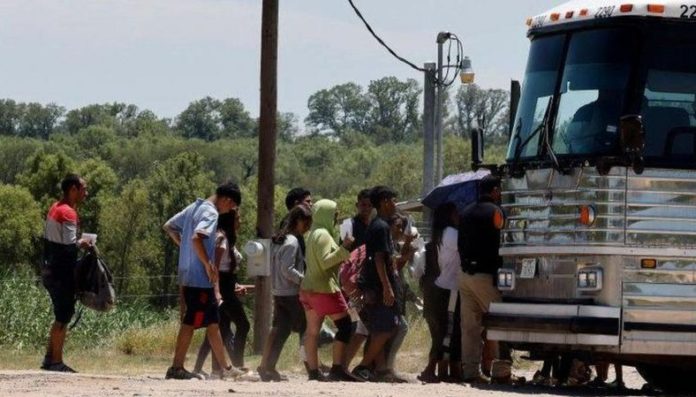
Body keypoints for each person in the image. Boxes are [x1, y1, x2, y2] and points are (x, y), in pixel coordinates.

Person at [162, 182, 245, 380]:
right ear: (226, 200)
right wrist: (208, 263)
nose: (229, 211)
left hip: (189, 274)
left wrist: (185, 249)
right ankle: (176, 367)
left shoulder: (194, 207)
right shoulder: (211, 213)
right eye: (231, 207)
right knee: (191, 321)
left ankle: (226, 368)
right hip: (200, 277)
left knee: (213, 322)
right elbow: (197, 238)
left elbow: (169, 226)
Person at [458, 175, 519, 384]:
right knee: (500, 324)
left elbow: (460, 244)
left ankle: (471, 371)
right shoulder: (496, 212)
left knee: (470, 327)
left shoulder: (465, 212)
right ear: (494, 191)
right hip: (486, 275)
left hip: (465, 274)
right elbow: (502, 243)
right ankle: (502, 372)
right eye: (499, 190)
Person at [300, 199, 359, 381]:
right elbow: (326, 261)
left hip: (307, 289)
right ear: (326, 214)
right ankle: (337, 368)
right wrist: (345, 248)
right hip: (324, 288)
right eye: (334, 214)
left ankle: (313, 372)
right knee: (345, 325)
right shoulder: (324, 235)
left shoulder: (312, 234)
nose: (336, 217)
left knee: (312, 331)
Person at [351, 186, 402, 382]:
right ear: (384, 202)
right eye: (393, 200)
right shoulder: (380, 226)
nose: (395, 204)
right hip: (378, 287)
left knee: (379, 328)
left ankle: (381, 369)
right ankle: (363, 366)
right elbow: (379, 259)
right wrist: (387, 287)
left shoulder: (378, 225)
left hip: (377, 285)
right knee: (386, 328)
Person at [41, 173, 90, 373]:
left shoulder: (55, 207)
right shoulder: (68, 213)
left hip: (49, 268)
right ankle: (57, 363)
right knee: (63, 316)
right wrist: (84, 243)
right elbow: (70, 245)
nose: (86, 193)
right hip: (61, 272)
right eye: (83, 189)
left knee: (60, 315)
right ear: (73, 189)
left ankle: (49, 358)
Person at [257, 205, 312, 381]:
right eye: (307, 223)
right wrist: (304, 280)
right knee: (306, 331)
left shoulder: (280, 240)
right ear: (299, 221)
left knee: (281, 331)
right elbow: (287, 269)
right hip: (291, 294)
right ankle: (311, 367)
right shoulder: (292, 242)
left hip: (279, 292)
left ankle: (268, 367)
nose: (308, 227)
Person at [193, 210, 250, 377]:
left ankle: (212, 369)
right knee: (243, 325)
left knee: (218, 328)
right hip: (222, 285)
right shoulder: (221, 238)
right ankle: (238, 364)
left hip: (227, 283)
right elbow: (215, 267)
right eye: (238, 218)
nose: (240, 221)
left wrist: (235, 285)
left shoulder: (226, 238)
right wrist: (218, 291)